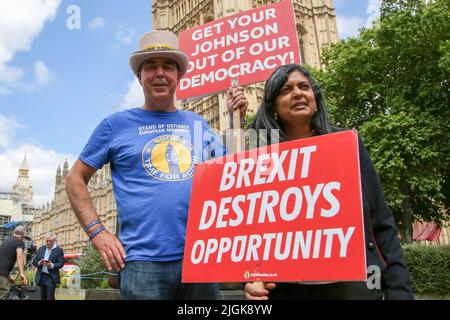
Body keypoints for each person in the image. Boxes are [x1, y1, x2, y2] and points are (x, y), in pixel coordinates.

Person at [65, 30, 247, 300]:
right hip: (142, 263)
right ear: (139, 76)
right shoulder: (115, 125)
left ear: (178, 76)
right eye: (150, 67)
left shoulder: (197, 123)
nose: (159, 73)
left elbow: (232, 170)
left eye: (168, 66)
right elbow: (75, 178)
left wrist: (235, 121)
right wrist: (98, 233)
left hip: (200, 257)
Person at [244, 64, 414, 300]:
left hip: (350, 288)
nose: (297, 93)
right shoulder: (261, 158)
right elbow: (248, 233)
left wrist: (400, 292)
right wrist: (250, 281)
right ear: (273, 106)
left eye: (304, 87)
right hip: (287, 291)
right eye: (286, 89)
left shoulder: (347, 145)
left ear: (315, 100)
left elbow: (381, 222)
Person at [33, 232, 64, 300]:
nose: (49, 243)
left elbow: (61, 263)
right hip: (40, 277)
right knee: (40, 297)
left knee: (50, 297)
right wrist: (39, 263)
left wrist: (51, 265)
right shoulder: (41, 249)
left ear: (54, 241)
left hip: (51, 278)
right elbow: (34, 261)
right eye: (47, 241)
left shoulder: (59, 250)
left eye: (50, 241)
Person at [0, 226, 28, 299]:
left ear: (14, 233)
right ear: (23, 235)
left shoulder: (6, 241)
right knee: (4, 293)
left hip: (2, 272)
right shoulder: (19, 242)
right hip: (1, 273)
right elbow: (19, 255)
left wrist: (8, 277)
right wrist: (22, 273)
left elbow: (3, 260)